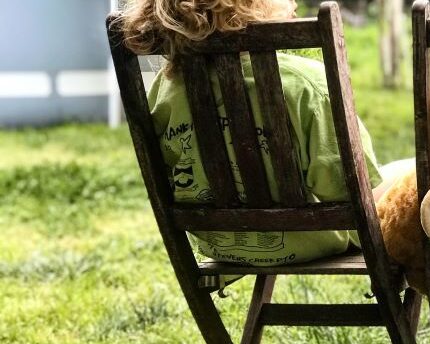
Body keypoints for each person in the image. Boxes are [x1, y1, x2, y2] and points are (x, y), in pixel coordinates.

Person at [118, 0, 383, 266]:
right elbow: (345, 190)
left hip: (220, 243)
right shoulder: (306, 84)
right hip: (311, 240)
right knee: (402, 178)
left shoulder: (165, 90)